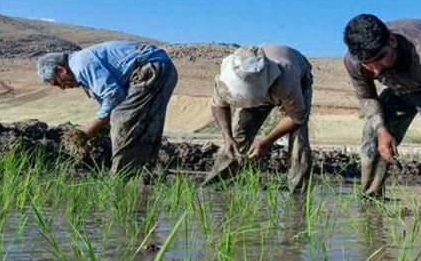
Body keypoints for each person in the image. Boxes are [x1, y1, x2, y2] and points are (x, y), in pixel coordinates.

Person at [343, 15, 421, 205]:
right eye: (367, 64)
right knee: (372, 133)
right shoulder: (354, 60)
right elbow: (367, 97)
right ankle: (371, 199)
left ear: (392, 40)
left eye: (380, 58)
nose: (375, 71)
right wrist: (382, 131)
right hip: (400, 87)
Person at [36, 41, 178, 175]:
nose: (62, 88)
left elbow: (114, 96)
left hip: (151, 67)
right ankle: (148, 171)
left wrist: (92, 127)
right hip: (162, 66)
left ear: (61, 70)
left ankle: (122, 177)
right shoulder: (82, 64)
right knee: (148, 122)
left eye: (57, 83)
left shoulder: (81, 65)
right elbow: (108, 100)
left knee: (122, 118)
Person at [205, 44, 313, 192]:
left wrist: (266, 141)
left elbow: (296, 118)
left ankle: (298, 190)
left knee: (298, 138)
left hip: (299, 80)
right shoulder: (226, 76)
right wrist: (227, 137)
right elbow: (219, 105)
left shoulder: (286, 81)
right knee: (237, 137)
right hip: (265, 84)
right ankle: (216, 185)